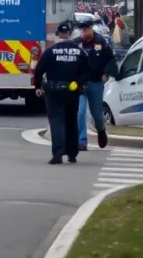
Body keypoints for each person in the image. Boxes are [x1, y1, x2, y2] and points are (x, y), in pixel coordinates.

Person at [33, 21, 89, 165]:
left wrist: (38, 86)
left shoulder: (51, 51)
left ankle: (58, 154)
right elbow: (87, 70)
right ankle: (72, 154)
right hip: (72, 91)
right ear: (70, 34)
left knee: (57, 121)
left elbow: (39, 69)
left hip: (54, 91)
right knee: (71, 121)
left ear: (58, 34)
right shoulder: (79, 51)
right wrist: (78, 82)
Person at [74, 19, 116, 150]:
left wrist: (106, 72)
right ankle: (81, 141)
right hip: (81, 84)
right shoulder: (77, 43)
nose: (83, 32)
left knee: (97, 114)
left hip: (96, 82)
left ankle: (101, 130)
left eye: (85, 29)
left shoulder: (100, 41)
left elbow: (110, 59)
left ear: (91, 28)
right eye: (81, 30)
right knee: (80, 112)